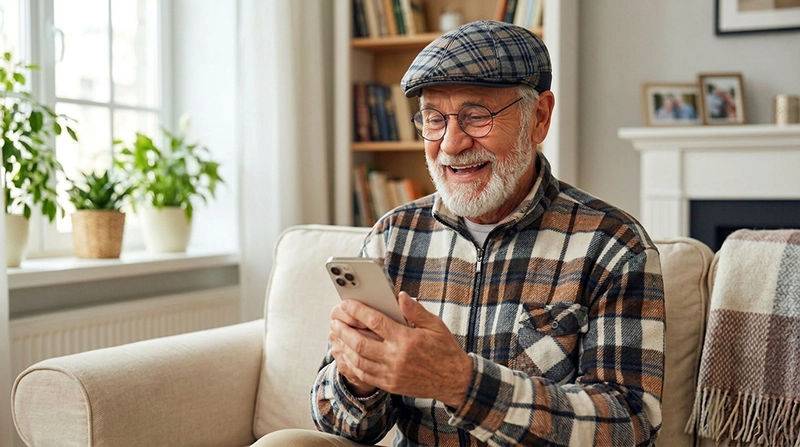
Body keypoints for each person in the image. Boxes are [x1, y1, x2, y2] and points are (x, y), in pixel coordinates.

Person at [263, 20, 666, 446]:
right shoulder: (394, 236)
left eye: (477, 116)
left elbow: (630, 424)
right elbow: (343, 426)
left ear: (539, 118)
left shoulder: (613, 245)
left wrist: (462, 383)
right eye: (434, 119)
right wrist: (360, 375)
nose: (451, 144)